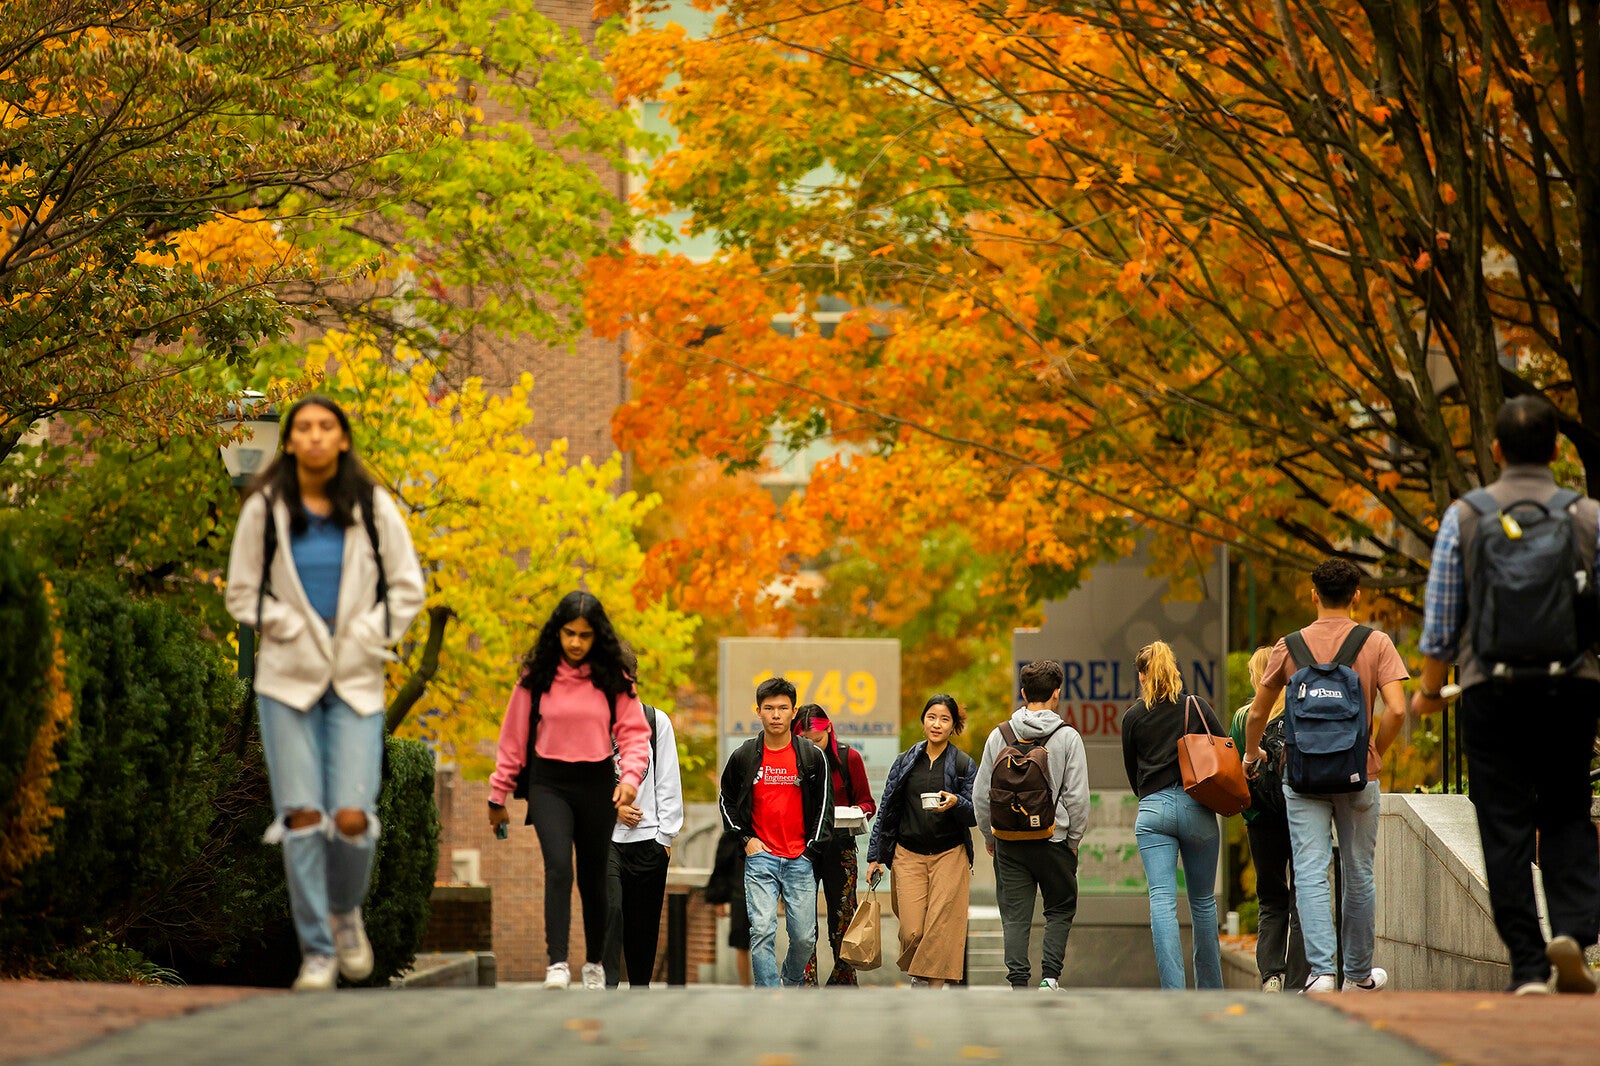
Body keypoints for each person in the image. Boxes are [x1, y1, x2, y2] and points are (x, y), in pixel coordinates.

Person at [224, 395, 426, 992]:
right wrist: (285, 623)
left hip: (356, 680)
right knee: (304, 817)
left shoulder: (371, 504)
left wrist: (369, 632)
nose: (314, 436)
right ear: (289, 442)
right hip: (287, 681)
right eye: (304, 428)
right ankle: (316, 950)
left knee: (352, 816)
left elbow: (408, 589)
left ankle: (344, 912)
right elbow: (241, 594)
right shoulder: (266, 506)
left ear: (342, 439)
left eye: (326, 427)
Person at [1414, 396, 1600, 995]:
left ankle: (1526, 963)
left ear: (1495, 450)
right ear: (1555, 450)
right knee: (1568, 806)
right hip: (1570, 685)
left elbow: (1442, 620)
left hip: (1489, 688)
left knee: (1502, 824)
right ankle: (1572, 929)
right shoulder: (1588, 517)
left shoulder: (1465, 516)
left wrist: (1426, 690)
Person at [1244, 559, 1409, 993]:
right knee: (1359, 873)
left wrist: (1251, 753)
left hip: (1303, 778)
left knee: (1311, 870)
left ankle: (1320, 973)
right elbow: (1397, 709)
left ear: (1313, 594)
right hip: (1358, 775)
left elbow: (1259, 711)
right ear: (1357, 595)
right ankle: (1357, 975)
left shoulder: (1289, 646)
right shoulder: (1376, 643)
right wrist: (1374, 752)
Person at [488, 591, 652, 991]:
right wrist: (498, 795)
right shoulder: (536, 678)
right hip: (549, 783)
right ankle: (557, 962)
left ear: (598, 636)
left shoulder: (613, 678)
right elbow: (513, 738)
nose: (576, 643)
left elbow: (634, 734)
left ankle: (594, 961)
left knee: (593, 877)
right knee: (559, 865)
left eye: (584, 635)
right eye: (568, 633)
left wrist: (630, 778)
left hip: (596, 782)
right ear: (557, 632)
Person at [974, 660, 1090, 990]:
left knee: (1014, 915)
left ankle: (1017, 982)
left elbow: (982, 793)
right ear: (1057, 694)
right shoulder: (1068, 737)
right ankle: (1050, 978)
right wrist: (1073, 839)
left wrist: (990, 835)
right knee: (1060, 908)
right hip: (1054, 839)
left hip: (1009, 841)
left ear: (1023, 694)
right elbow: (1078, 797)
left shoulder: (1000, 735)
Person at [1121, 640, 1225, 990]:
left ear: (1141, 675)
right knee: (1203, 903)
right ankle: (1210, 990)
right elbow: (1224, 751)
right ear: (1174, 670)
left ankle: (1174, 993)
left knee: (1162, 903)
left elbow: (1132, 773)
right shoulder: (1196, 707)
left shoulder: (1133, 717)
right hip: (1197, 808)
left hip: (1153, 811)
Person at [718, 676, 834, 987]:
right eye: (769, 708)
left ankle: (791, 983)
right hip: (761, 857)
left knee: (804, 937)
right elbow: (725, 798)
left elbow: (825, 807)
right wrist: (745, 839)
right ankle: (769, 995)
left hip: (800, 857)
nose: (776, 714)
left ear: (794, 711)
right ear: (758, 711)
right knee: (762, 930)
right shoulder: (745, 755)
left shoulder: (811, 756)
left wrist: (811, 849)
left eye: (783, 708)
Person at [867, 694, 977, 988]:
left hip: (949, 854)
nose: (937, 724)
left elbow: (977, 812)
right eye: (932, 717)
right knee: (913, 931)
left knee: (941, 928)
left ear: (953, 725)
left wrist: (957, 803)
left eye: (944, 719)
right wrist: (875, 856)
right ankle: (919, 972)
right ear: (923, 721)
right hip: (908, 854)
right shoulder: (905, 762)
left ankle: (931, 996)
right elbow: (887, 809)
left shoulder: (964, 764)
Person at [602, 642, 685, 989]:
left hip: (649, 841)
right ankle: (604, 985)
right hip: (605, 839)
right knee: (612, 910)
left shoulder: (655, 721)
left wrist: (665, 838)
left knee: (643, 925)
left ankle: (639, 989)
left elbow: (668, 779)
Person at [1229, 647, 1308, 993]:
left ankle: (1271, 975)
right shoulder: (1299, 712)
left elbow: (1235, 772)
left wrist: (1249, 812)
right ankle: (1299, 979)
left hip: (1261, 819)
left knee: (1270, 897)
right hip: (1299, 814)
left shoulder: (1244, 717)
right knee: (1302, 898)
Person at [793, 704, 876, 986]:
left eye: (817, 740)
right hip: (803, 848)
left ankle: (843, 978)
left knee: (842, 918)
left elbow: (867, 802)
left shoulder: (848, 757)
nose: (812, 747)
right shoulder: (792, 759)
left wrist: (855, 812)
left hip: (839, 846)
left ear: (829, 729)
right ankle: (806, 978)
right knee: (803, 920)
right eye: (805, 741)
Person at [704, 828, 753, 986]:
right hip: (739, 893)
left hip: (759, 891)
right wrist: (719, 899)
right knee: (741, 943)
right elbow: (722, 867)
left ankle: (762, 985)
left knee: (764, 941)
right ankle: (745, 986)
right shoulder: (731, 834)